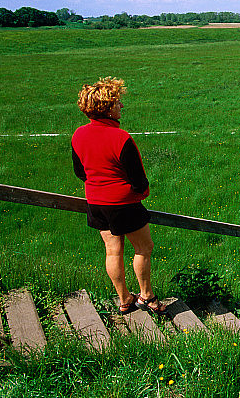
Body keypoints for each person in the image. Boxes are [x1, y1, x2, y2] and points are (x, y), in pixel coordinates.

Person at [71, 77, 167, 314]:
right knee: (144, 248)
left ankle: (124, 299)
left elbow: (79, 172)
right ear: (107, 108)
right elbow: (138, 179)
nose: (121, 106)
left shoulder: (78, 135)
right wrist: (141, 193)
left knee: (113, 250)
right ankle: (147, 297)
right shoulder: (121, 138)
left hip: (95, 202)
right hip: (123, 203)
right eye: (117, 103)